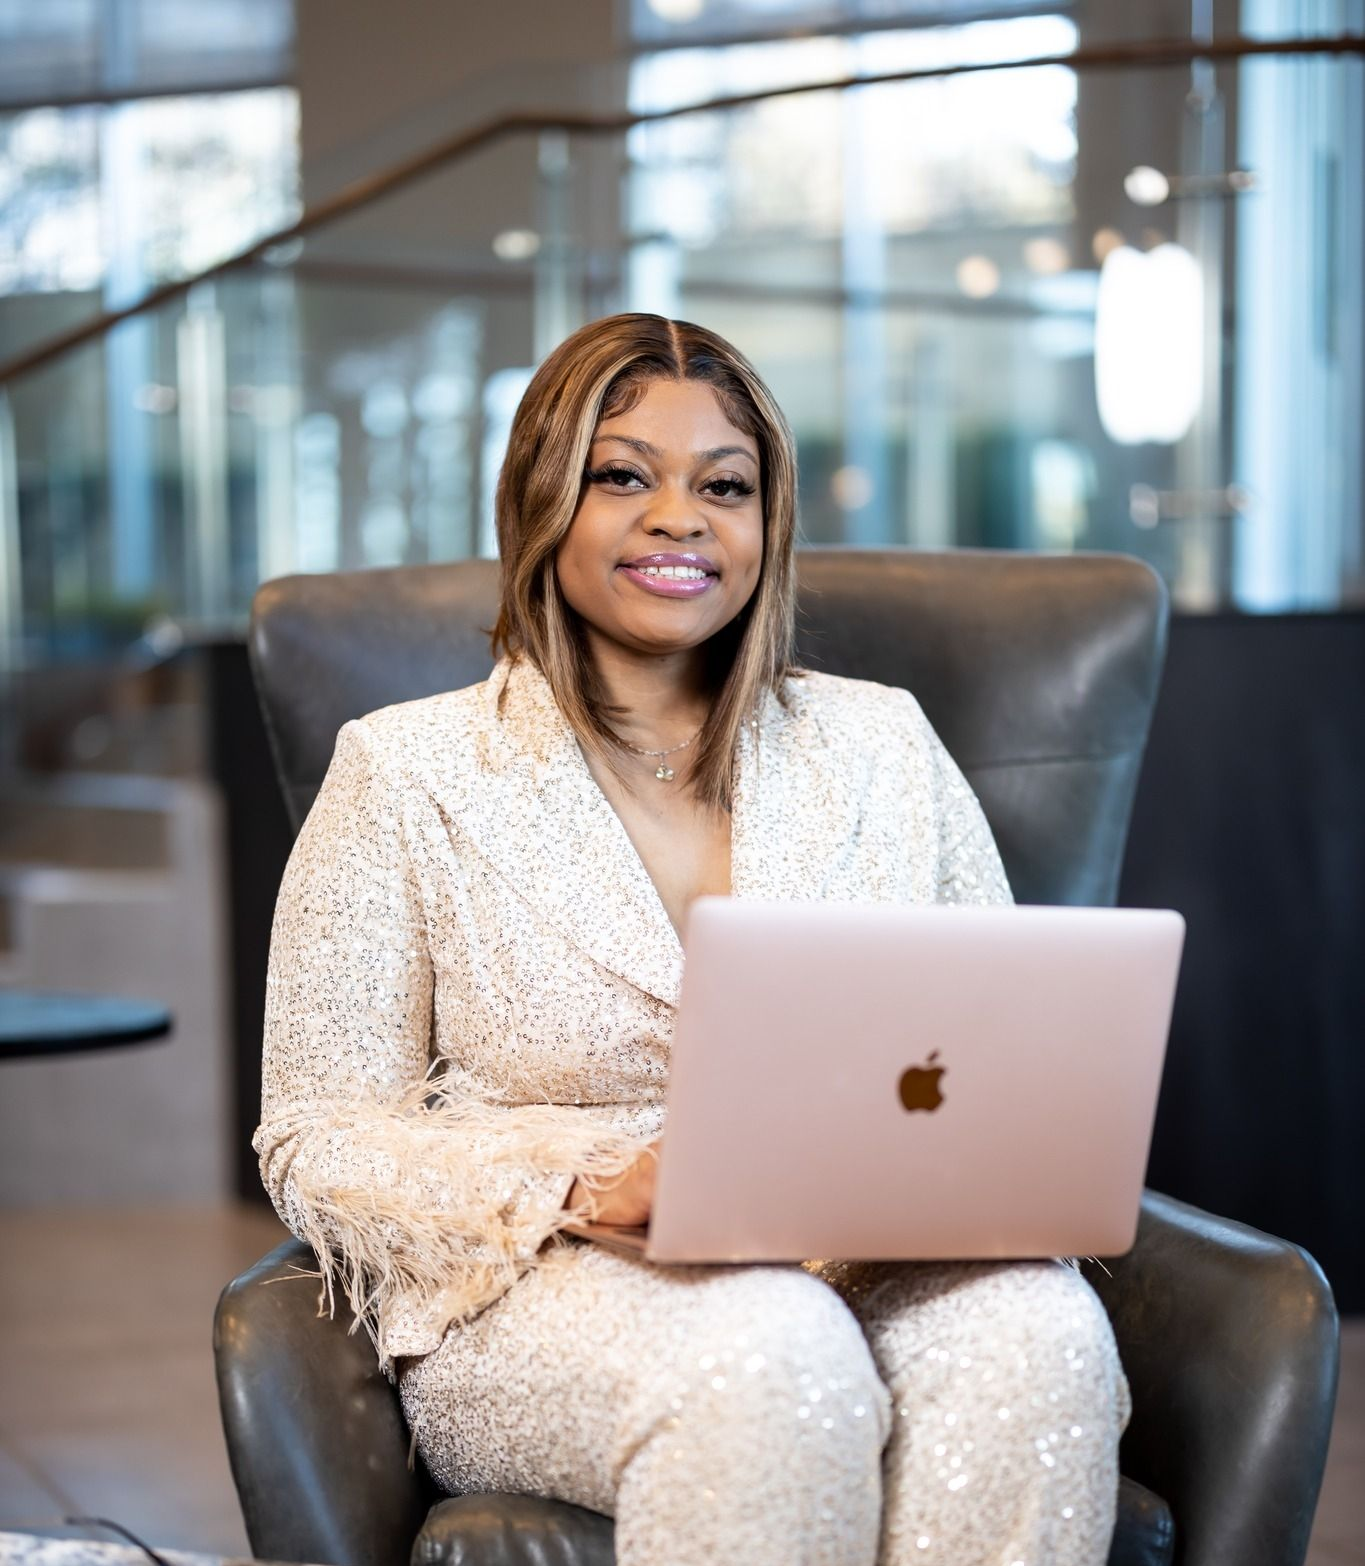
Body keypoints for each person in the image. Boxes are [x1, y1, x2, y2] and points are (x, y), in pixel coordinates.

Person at [254, 312, 1130, 1566]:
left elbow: (994, 1048)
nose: (680, 516)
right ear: (542, 501)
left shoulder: (881, 744)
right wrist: (583, 1188)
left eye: (725, 485)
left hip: (867, 1251)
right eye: (624, 476)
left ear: (767, 525)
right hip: (550, 1288)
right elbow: (314, 1131)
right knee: (771, 1354)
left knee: (1040, 1339)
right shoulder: (405, 770)